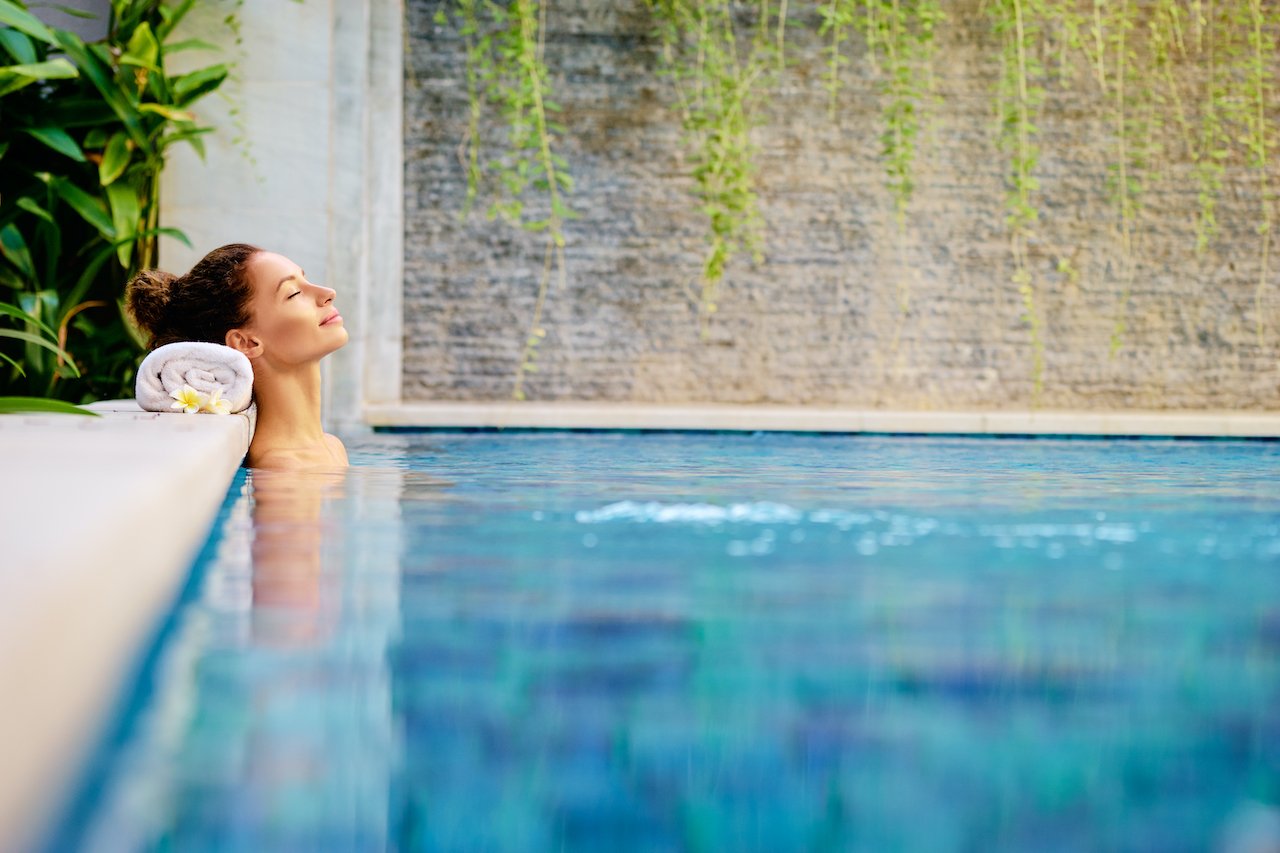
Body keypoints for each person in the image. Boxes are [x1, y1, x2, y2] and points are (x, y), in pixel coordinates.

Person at [126, 243, 350, 471]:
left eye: (306, 279)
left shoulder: (333, 448)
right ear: (247, 343)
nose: (328, 293)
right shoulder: (282, 467)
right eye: (293, 293)